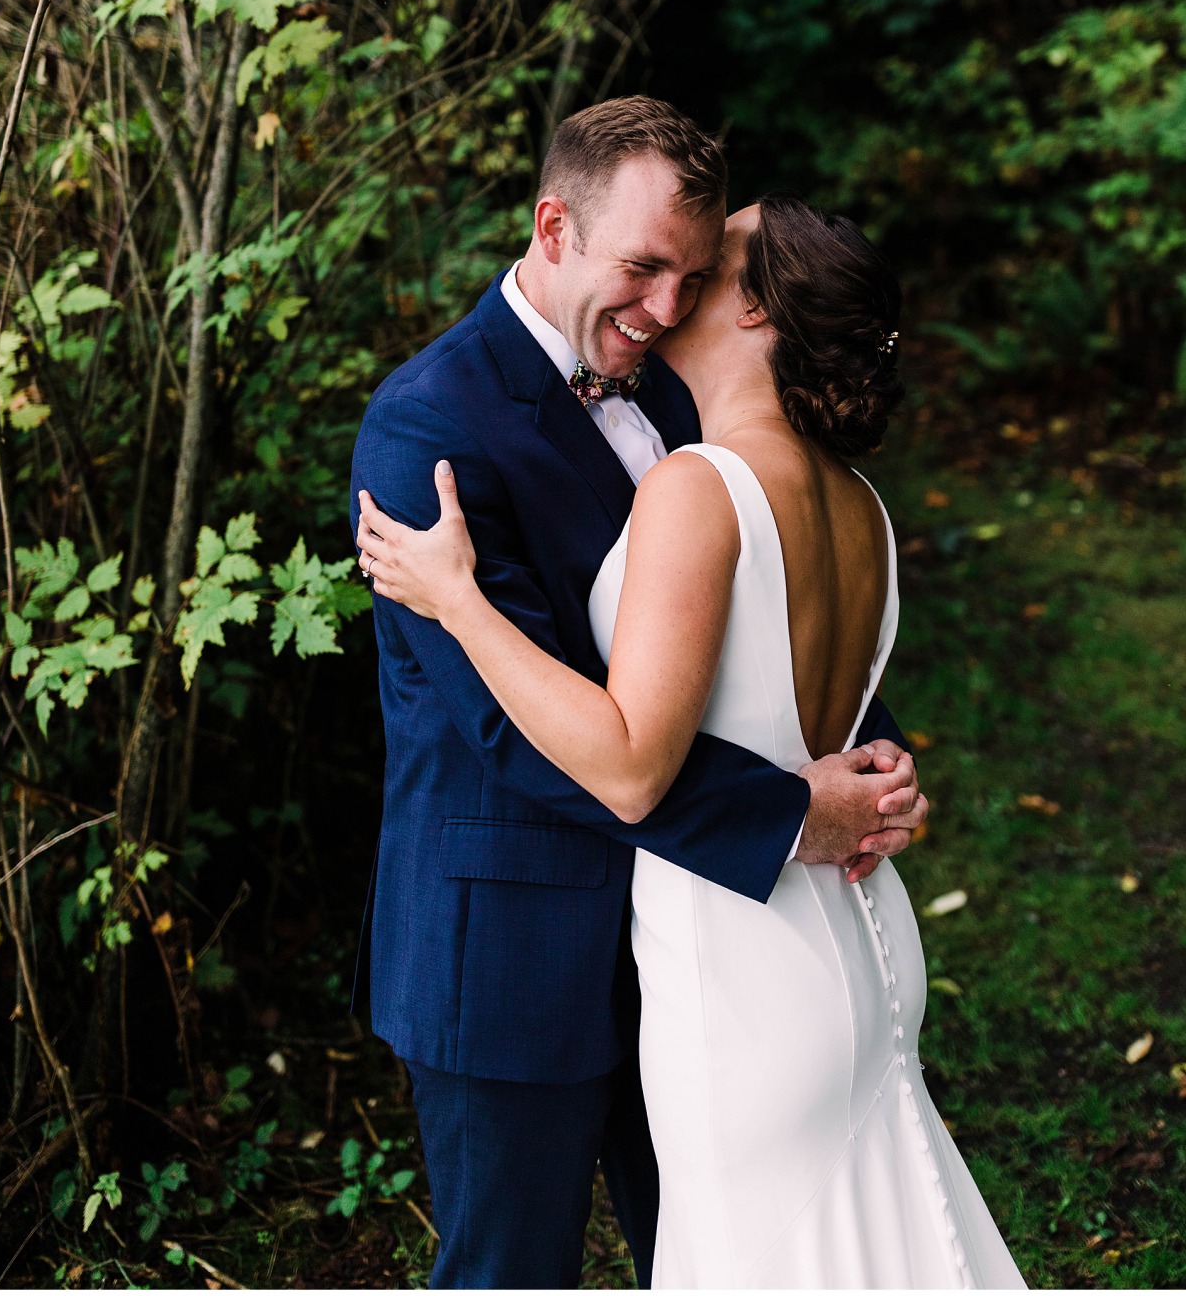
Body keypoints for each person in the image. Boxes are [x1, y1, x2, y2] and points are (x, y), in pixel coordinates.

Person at [357, 185, 1025, 1290]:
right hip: (541, 937)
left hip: (733, 952)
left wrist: (457, 598)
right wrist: (817, 791)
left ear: (757, 312)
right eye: (654, 268)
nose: (671, 300)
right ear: (555, 224)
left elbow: (679, 704)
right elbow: (506, 727)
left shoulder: (691, 448)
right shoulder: (430, 419)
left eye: (703, 274)